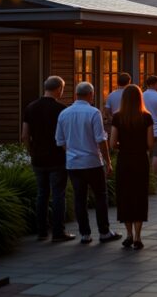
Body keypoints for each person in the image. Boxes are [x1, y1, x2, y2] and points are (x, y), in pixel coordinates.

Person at [55, 82, 121, 245]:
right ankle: (104, 231)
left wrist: (71, 152)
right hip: (92, 162)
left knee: (79, 198)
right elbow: (101, 139)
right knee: (100, 196)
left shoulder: (64, 113)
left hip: (73, 163)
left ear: (77, 94)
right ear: (90, 95)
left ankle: (85, 233)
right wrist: (107, 161)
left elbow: (60, 140)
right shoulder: (93, 112)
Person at [22, 75, 74, 242]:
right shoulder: (61, 109)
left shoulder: (30, 107)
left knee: (42, 194)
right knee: (58, 194)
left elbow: (24, 135)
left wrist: (31, 151)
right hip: (57, 158)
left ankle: (42, 232)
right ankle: (58, 232)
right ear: (59, 89)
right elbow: (67, 136)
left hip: (38, 158)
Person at [110, 84, 154, 250]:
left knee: (125, 195)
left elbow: (113, 143)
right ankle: (138, 236)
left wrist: (124, 144)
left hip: (124, 160)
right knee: (139, 196)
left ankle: (128, 234)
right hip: (140, 160)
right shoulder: (146, 117)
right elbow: (150, 143)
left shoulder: (117, 117)